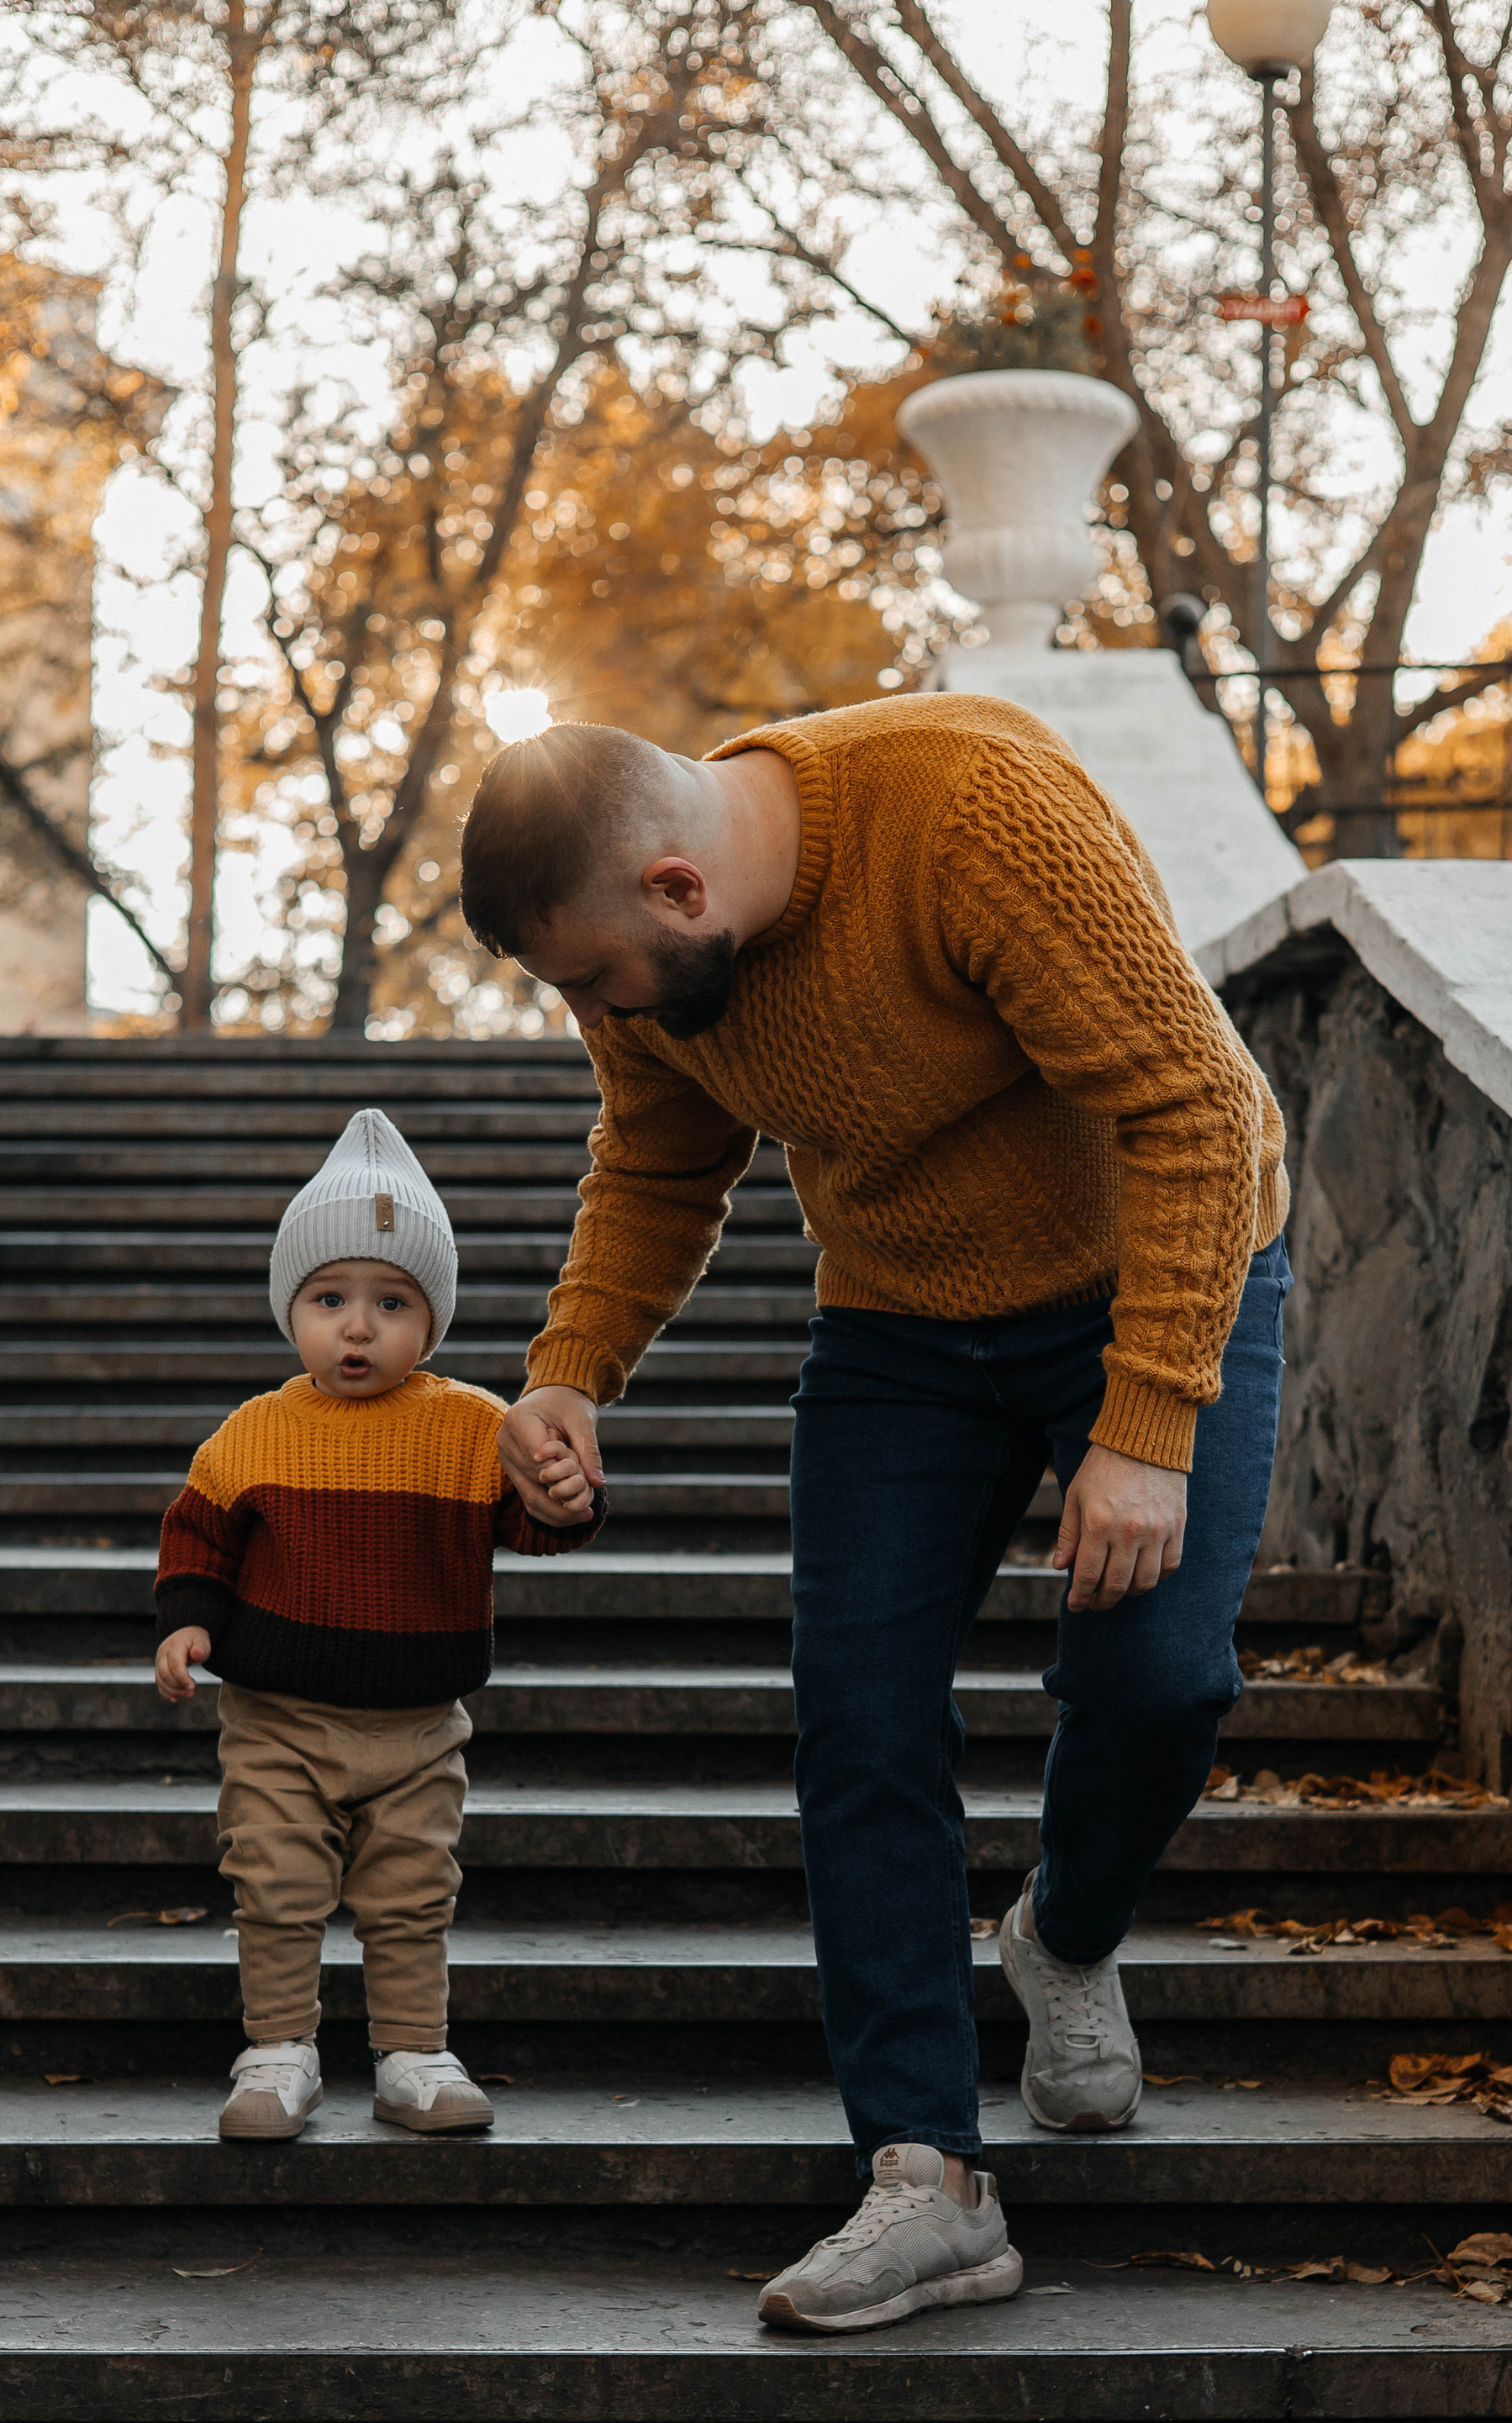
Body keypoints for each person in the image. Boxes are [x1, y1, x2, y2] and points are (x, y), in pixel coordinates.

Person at [462, 697, 1288, 2331]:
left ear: (680, 891)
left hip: (1154, 1271)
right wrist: (570, 1371)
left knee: (1160, 1675)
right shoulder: (650, 951)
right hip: (899, 1330)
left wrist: (1140, 1427)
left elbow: (1195, 1113)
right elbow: (654, 1161)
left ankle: (1062, 1930)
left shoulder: (969, 814)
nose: (590, 1011)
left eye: (593, 977)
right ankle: (927, 2177)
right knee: (859, 1714)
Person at [152, 1106, 602, 2141]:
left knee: (410, 1892)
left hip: (416, 1723)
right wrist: (187, 1622)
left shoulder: (474, 1427)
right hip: (275, 1720)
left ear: (430, 1322)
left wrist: (563, 1499)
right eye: (329, 1298)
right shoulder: (253, 1432)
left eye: (391, 1302)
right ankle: (277, 2051)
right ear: (292, 1310)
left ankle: (411, 2054)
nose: (357, 1327)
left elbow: (532, 1523)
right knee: (274, 1880)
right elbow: (198, 1540)